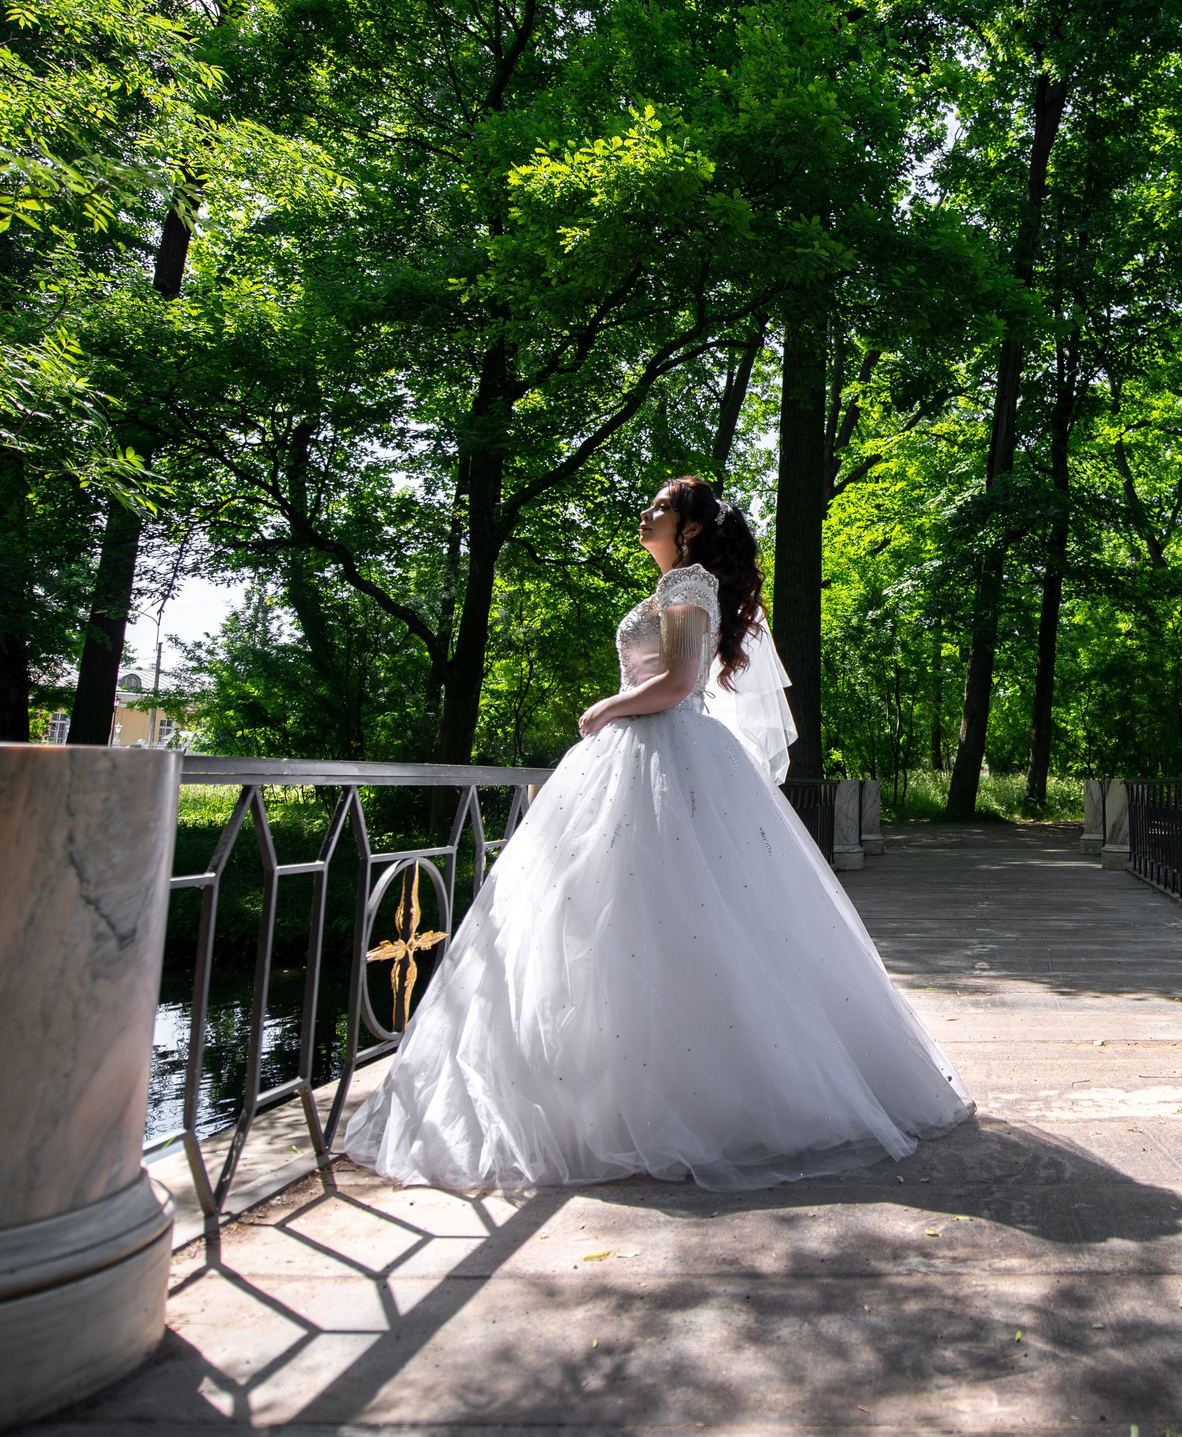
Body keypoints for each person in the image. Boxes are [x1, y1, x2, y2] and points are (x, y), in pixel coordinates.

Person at [342, 477, 971, 1192]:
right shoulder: (677, 584)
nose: (645, 513)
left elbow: (677, 680)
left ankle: (685, 1107)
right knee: (612, 924)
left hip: (662, 753)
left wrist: (606, 706)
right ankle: (608, 1098)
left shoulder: (690, 584)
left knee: (672, 921)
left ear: (692, 528)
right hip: (640, 757)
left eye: (660, 507)